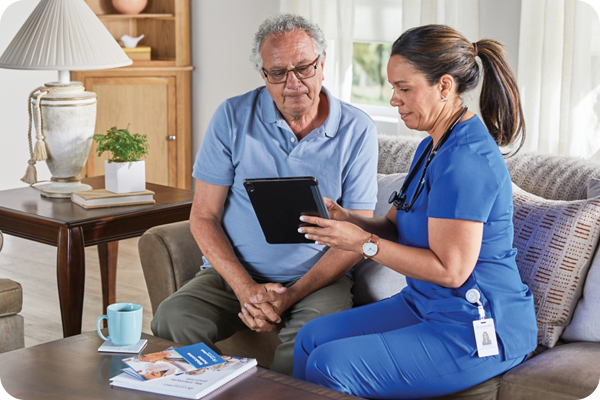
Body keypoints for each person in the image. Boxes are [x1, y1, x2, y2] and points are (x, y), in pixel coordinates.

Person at [292, 24, 538, 399]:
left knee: (332, 363)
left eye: (404, 88)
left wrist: (363, 243)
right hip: (425, 304)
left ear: (443, 86)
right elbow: (393, 225)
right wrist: (347, 219)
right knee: (311, 338)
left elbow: (452, 271)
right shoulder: (431, 147)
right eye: (393, 88)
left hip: (474, 325)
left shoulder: (466, 160)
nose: (394, 99)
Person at [151, 13, 378, 376]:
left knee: (311, 343)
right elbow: (203, 216)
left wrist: (290, 295)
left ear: (322, 65)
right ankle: (219, 387)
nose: (293, 83)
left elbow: (356, 233)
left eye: (304, 67)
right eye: (277, 73)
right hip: (234, 276)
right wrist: (245, 290)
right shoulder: (231, 116)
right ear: (264, 76)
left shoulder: (357, 129)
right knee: (173, 319)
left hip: (319, 279)